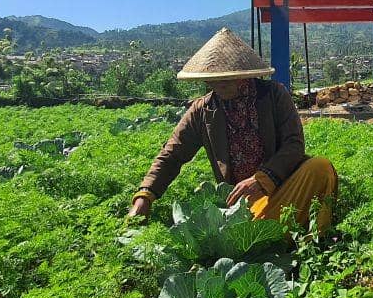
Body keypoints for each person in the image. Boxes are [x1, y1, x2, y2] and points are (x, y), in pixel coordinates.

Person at [127, 28, 338, 231]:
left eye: (226, 77)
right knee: (246, 227)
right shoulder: (203, 109)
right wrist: (145, 195)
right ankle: (268, 234)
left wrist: (261, 180)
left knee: (320, 168)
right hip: (240, 207)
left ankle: (301, 238)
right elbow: (172, 155)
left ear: (242, 74)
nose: (219, 85)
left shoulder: (273, 95)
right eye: (213, 80)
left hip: (280, 191)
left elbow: (294, 145)